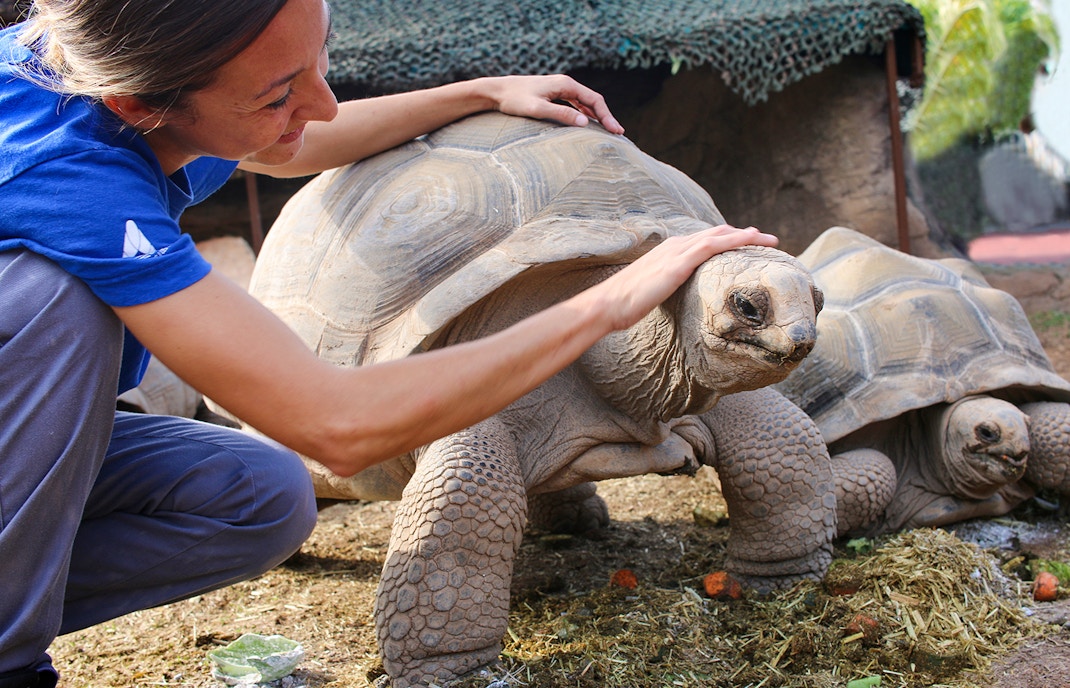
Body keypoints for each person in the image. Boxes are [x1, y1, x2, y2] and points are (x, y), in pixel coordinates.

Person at [0, 0, 779, 685]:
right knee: (54, 302)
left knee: (265, 502)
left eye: (320, 55)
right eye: (280, 91)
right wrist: (609, 302)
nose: (326, 103)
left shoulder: (95, 53)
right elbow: (335, 426)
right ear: (139, 105)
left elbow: (287, 144)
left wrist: (482, 92)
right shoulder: (67, 171)